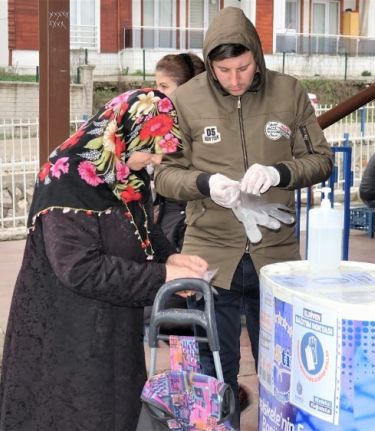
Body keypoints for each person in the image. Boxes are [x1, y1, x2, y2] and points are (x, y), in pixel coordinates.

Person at [154, 6, 333, 424]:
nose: (235, 79)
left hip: (276, 255)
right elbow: (164, 174)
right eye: (224, 70)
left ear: (257, 55)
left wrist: (280, 172)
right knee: (211, 370)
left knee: (282, 367)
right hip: (209, 255)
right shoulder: (185, 100)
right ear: (210, 64)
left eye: (244, 67)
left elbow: (322, 160)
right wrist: (205, 184)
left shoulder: (289, 93)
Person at [0, 89, 208, 430]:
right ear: (121, 131)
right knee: (71, 412)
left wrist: (173, 258)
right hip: (67, 330)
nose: (155, 161)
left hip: (115, 324)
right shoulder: (65, 177)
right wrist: (161, 277)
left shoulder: (126, 170)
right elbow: (79, 269)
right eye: (150, 150)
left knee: (115, 410)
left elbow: (143, 228)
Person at [153, 52, 206, 250]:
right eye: (157, 85)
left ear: (186, 89)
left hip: (188, 218)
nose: (157, 93)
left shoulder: (198, 125)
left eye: (164, 87)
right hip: (167, 215)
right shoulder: (162, 118)